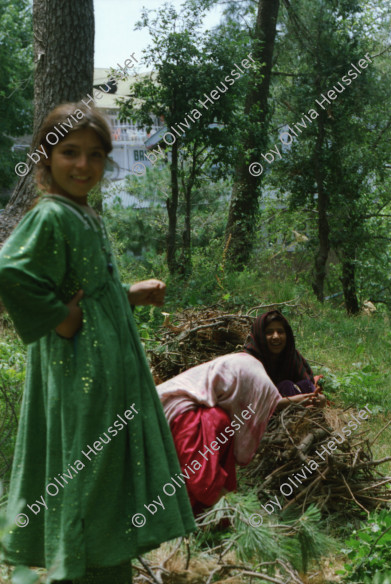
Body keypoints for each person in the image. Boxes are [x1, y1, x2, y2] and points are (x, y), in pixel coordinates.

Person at [0, 103, 195, 584]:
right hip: (80, 378)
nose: (83, 165)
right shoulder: (50, 215)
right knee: (88, 475)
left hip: (111, 377)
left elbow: (89, 288)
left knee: (108, 478)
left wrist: (129, 295)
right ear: (46, 157)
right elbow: (10, 272)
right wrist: (61, 319)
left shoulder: (82, 212)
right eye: (69, 152)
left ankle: (108, 566)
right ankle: (83, 569)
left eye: (94, 155)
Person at [156, 352, 325, 516]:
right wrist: (244, 515)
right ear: (237, 393)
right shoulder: (190, 418)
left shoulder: (205, 399)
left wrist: (296, 401)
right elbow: (203, 483)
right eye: (247, 400)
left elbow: (261, 399)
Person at [244, 310, 322, 397]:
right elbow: (250, 399)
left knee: (304, 384)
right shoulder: (249, 360)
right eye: (269, 332)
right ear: (260, 336)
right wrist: (289, 402)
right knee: (285, 386)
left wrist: (319, 399)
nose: (276, 337)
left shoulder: (291, 356)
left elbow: (308, 385)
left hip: (296, 403)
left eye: (280, 332)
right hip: (263, 405)